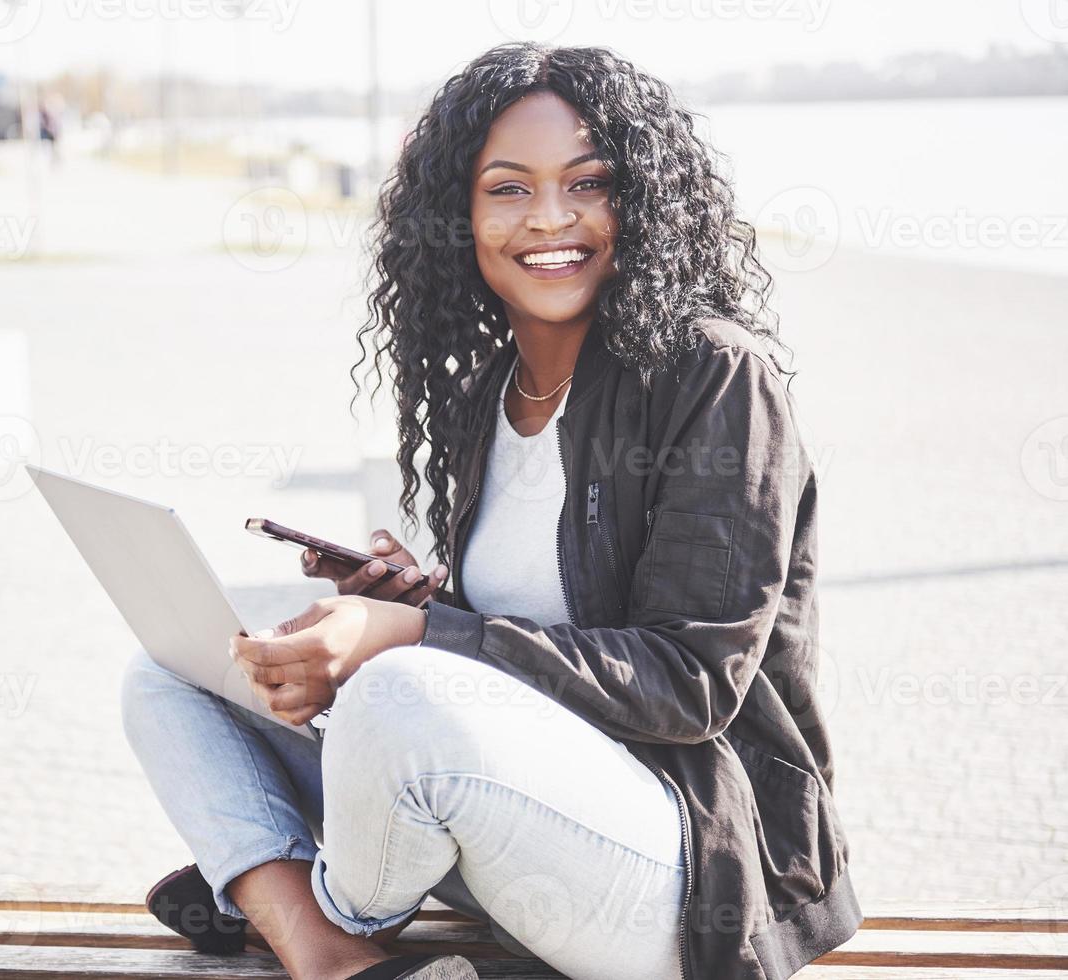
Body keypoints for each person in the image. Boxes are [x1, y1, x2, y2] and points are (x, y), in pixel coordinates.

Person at [122, 42, 858, 980]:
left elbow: (687, 683)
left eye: (587, 182)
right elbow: (526, 645)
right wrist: (414, 604)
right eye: (507, 189)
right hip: (513, 828)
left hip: (683, 864)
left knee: (397, 688)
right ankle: (325, 952)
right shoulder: (489, 395)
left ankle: (311, 900)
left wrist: (414, 636)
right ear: (457, 219)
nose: (551, 218)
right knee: (175, 672)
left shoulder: (712, 377)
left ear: (641, 200)